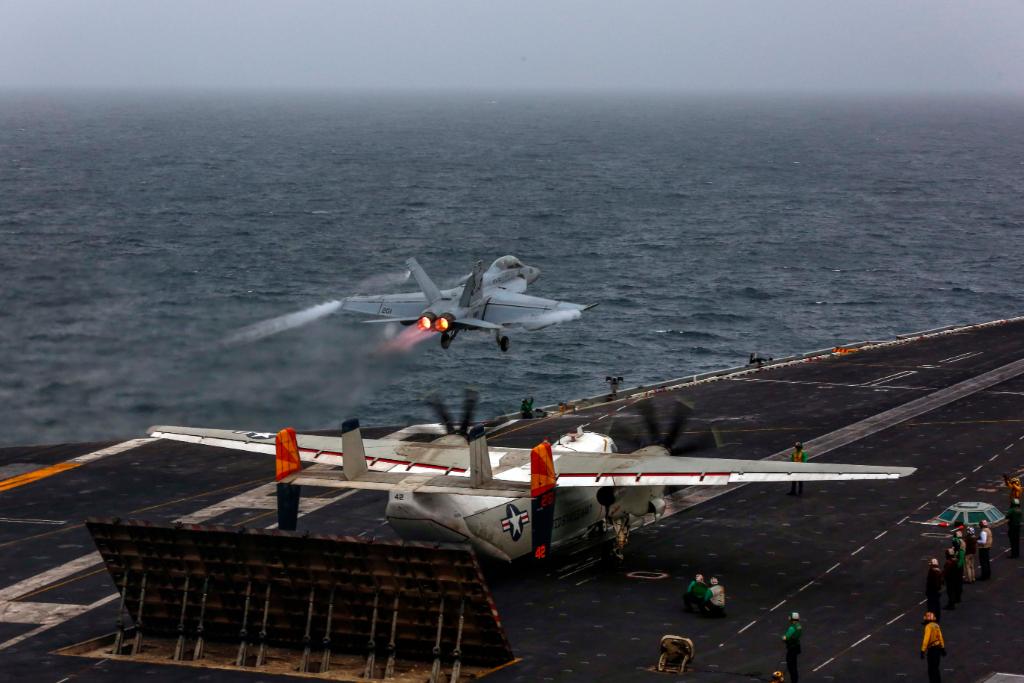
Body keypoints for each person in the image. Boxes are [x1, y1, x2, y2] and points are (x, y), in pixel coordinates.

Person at [920, 611, 946, 683]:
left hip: (932, 650)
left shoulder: (928, 627)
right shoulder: (936, 625)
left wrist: (922, 651)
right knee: (936, 667)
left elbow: (926, 639)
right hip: (938, 648)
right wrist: (943, 648)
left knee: (931, 668)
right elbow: (940, 637)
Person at [782, 612, 802, 683]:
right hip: (796, 647)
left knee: (791, 666)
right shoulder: (799, 626)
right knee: (794, 665)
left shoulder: (792, 628)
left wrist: (783, 637)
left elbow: (786, 638)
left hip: (791, 648)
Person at [925, 558, 943, 623]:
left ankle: (930, 619)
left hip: (932, 591)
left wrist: (928, 591)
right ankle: (937, 619)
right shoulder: (939, 571)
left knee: (930, 606)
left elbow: (930, 582)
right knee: (937, 606)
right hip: (937, 591)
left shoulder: (932, 571)